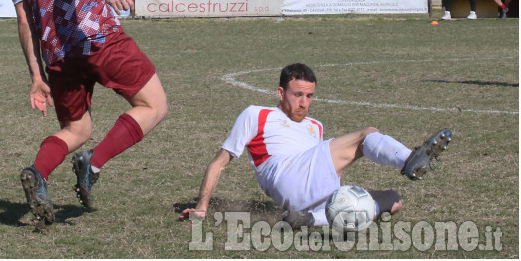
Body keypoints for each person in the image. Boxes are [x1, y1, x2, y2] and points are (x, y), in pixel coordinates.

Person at [6, 0, 168, 224]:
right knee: (155, 105)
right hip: (96, 37)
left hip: (56, 55)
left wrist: (36, 75)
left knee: (77, 129)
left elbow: (24, 21)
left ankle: (39, 172)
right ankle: (93, 164)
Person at [178, 63, 451, 227]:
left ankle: (308, 220)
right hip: (284, 176)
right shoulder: (257, 114)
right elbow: (220, 161)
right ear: (280, 93)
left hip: (307, 195)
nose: (304, 103)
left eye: (309, 96)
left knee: (393, 200)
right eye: (298, 95)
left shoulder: (316, 126)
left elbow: (323, 169)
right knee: (367, 134)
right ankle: (408, 160)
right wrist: (202, 206)